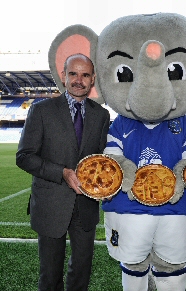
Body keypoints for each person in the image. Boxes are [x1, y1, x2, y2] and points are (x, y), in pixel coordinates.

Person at [16, 53, 110, 291]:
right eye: (73, 74)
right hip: (51, 203)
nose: (79, 80)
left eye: (85, 75)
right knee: (50, 274)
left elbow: (100, 159)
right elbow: (24, 157)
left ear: (93, 80)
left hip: (85, 205)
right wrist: (63, 173)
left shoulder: (101, 115)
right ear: (63, 76)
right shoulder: (41, 110)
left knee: (81, 272)